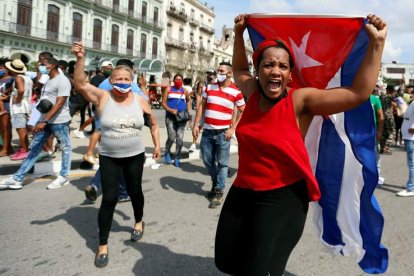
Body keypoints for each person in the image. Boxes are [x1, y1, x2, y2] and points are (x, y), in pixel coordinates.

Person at [212, 14, 387, 276]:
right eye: (268, 65)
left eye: (282, 66)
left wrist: (377, 44)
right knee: (226, 260)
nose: (275, 71)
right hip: (243, 190)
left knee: (260, 269)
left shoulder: (300, 101)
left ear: (289, 73)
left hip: (283, 197)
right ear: (258, 70)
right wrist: (238, 34)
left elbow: (358, 93)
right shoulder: (251, 91)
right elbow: (238, 70)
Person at [71, 41, 161, 268]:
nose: (122, 82)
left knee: (135, 191)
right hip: (110, 157)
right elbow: (80, 84)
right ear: (111, 81)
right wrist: (80, 59)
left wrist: (157, 145)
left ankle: (139, 221)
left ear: (131, 81)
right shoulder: (103, 96)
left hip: (135, 156)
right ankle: (102, 245)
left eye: (126, 79)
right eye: (118, 79)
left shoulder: (140, 99)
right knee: (109, 198)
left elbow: (153, 123)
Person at [0, 57, 72, 190]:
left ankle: (63, 176)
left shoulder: (63, 80)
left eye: (43, 65)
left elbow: (60, 102)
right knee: (35, 149)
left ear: (53, 65)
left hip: (59, 121)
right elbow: (44, 99)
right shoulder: (48, 80)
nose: (40, 66)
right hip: (45, 120)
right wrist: (38, 120)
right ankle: (17, 178)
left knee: (66, 148)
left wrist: (44, 120)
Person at [192, 62, 245, 209]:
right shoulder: (209, 87)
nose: (218, 73)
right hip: (207, 132)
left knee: (223, 164)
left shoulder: (236, 92)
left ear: (229, 73)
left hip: (223, 133)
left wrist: (233, 128)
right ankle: (216, 184)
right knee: (207, 160)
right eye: (218, 70)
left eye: (221, 71)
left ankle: (219, 191)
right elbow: (202, 105)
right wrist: (196, 124)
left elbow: (243, 110)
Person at [161, 73, 191, 167]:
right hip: (170, 117)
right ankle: (167, 152)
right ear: (173, 81)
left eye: (180, 79)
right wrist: (170, 110)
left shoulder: (185, 91)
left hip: (182, 117)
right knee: (171, 137)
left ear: (182, 81)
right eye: (176, 79)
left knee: (180, 138)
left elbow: (189, 100)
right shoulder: (169, 89)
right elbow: (163, 103)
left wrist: (188, 112)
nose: (178, 81)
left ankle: (177, 158)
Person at [6, 59, 33, 161]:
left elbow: (21, 90)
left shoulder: (18, 78)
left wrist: (17, 100)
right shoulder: (28, 78)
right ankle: (24, 149)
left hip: (19, 107)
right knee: (23, 129)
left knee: (20, 129)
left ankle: (24, 151)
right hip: (26, 106)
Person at [397, 93, 414, 197]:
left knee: (412, 164)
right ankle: (411, 184)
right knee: (412, 163)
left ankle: (411, 188)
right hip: (408, 136)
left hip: (411, 137)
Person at [0, 58, 14, 157]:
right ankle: (6, 147)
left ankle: (6, 149)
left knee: (6, 128)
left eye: (1, 68)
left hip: (6, 106)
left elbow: (15, 92)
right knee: (1, 129)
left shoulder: (12, 79)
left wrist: (8, 97)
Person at [371, 88, 385, 185]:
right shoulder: (357, 98)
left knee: (375, 154)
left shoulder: (375, 99)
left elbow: (381, 116)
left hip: (372, 131)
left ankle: (377, 176)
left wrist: (380, 131)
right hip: (357, 131)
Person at [379, 84, 396, 154]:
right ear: (391, 91)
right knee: (392, 131)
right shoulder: (390, 96)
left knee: (384, 132)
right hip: (389, 115)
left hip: (382, 114)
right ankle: (386, 146)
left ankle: (382, 147)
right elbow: (400, 94)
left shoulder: (382, 96)